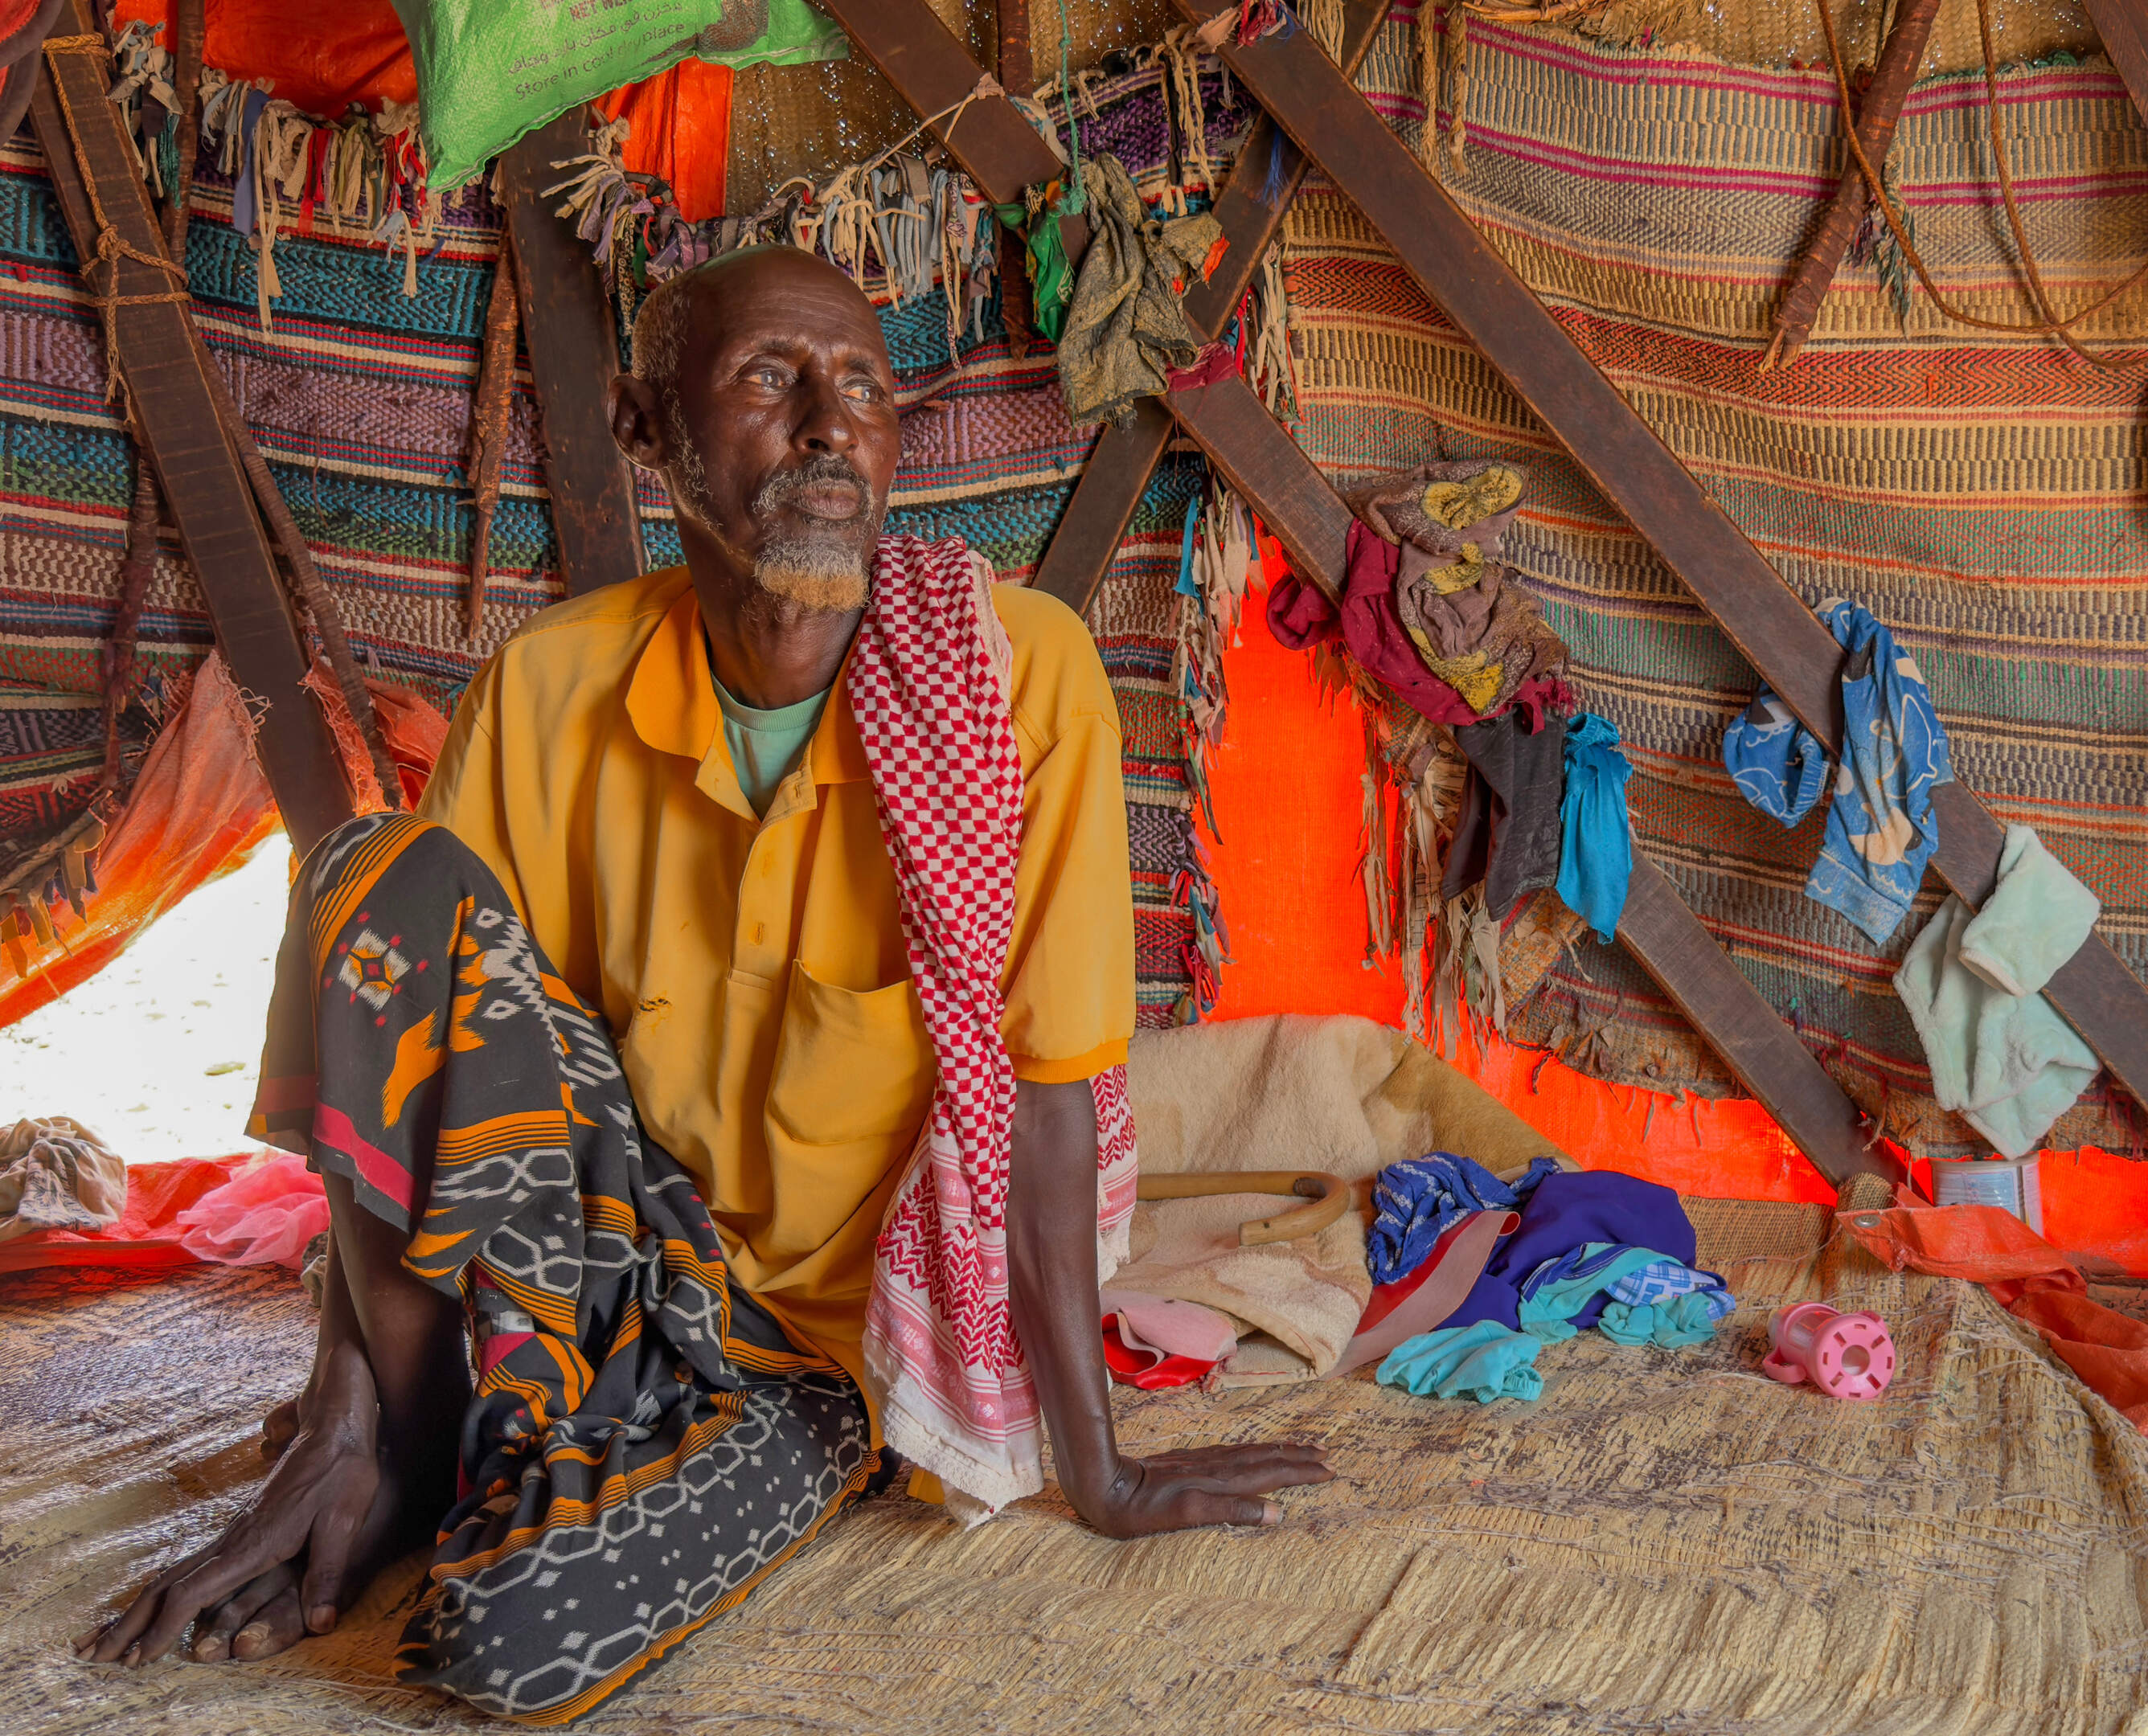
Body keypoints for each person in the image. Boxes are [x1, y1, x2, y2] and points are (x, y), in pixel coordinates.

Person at [75, 246, 1332, 1721]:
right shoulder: (550, 686)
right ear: (644, 429)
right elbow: (425, 1047)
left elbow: (1046, 1103)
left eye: (860, 386)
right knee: (380, 878)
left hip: (809, 1348)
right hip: (604, 1249)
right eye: (765, 380)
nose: (826, 424)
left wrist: (1100, 1467)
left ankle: (544, 1452)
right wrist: (344, 1403)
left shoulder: (1009, 679)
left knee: (506, 1644)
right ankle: (403, 1438)